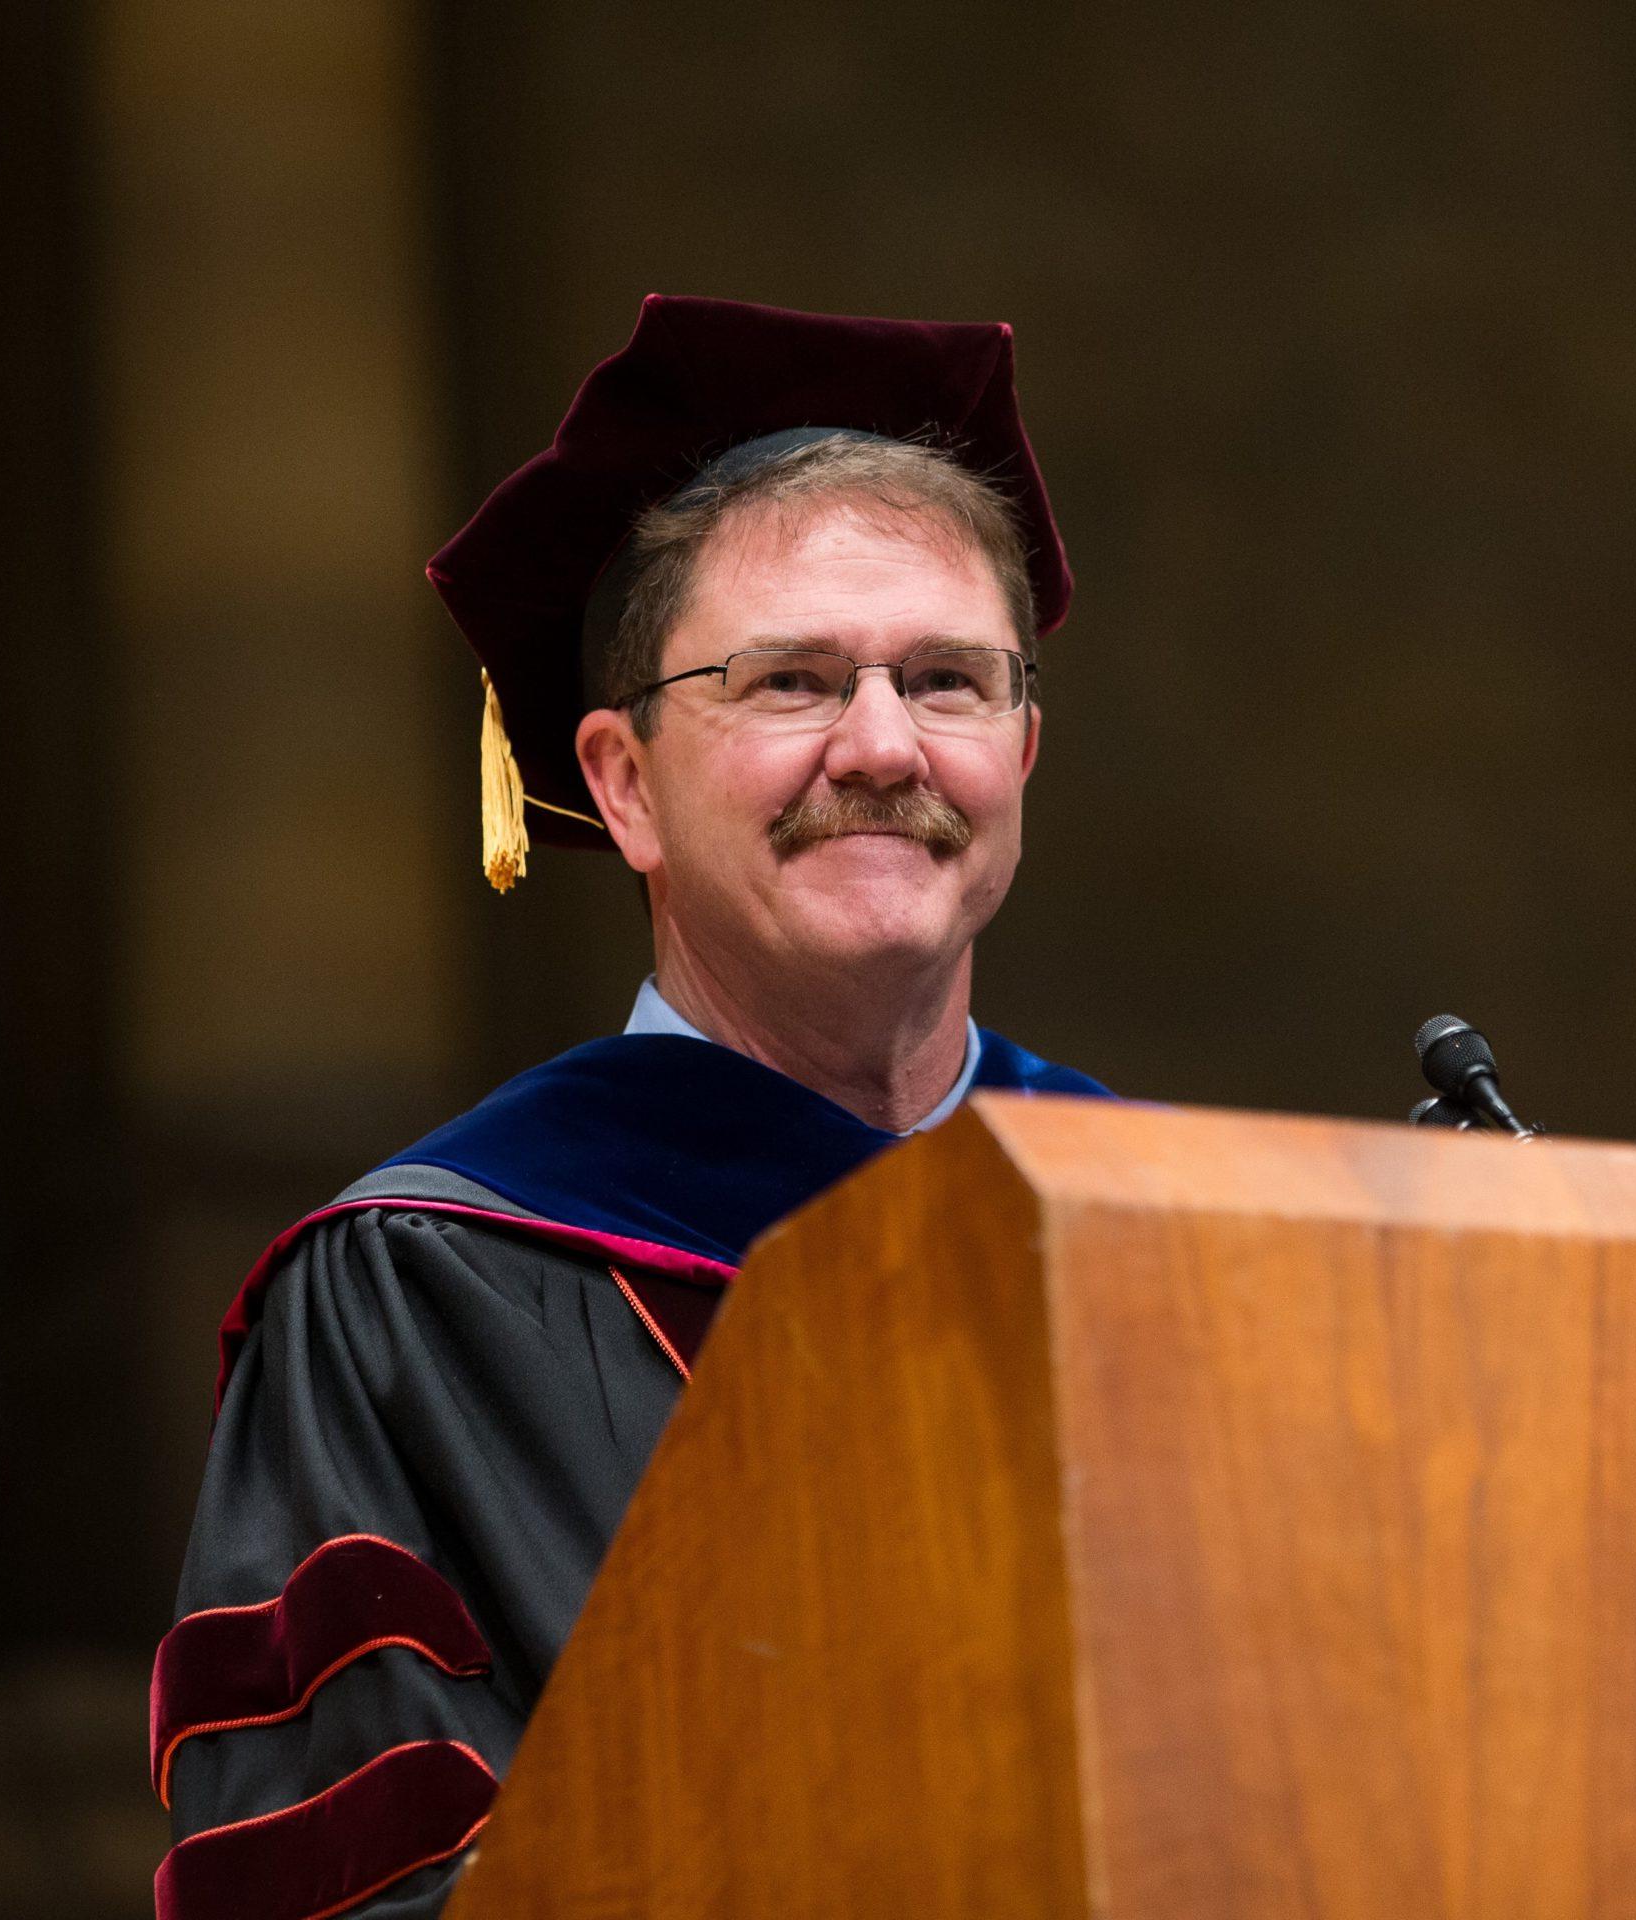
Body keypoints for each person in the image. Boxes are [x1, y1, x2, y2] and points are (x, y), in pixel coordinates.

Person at [149, 294, 1114, 1920]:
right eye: (793, 682)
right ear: (619, 780)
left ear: (1020, 747)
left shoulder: (1168, 1239)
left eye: (948, 681)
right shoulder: (417, 1292)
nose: (883, 746)